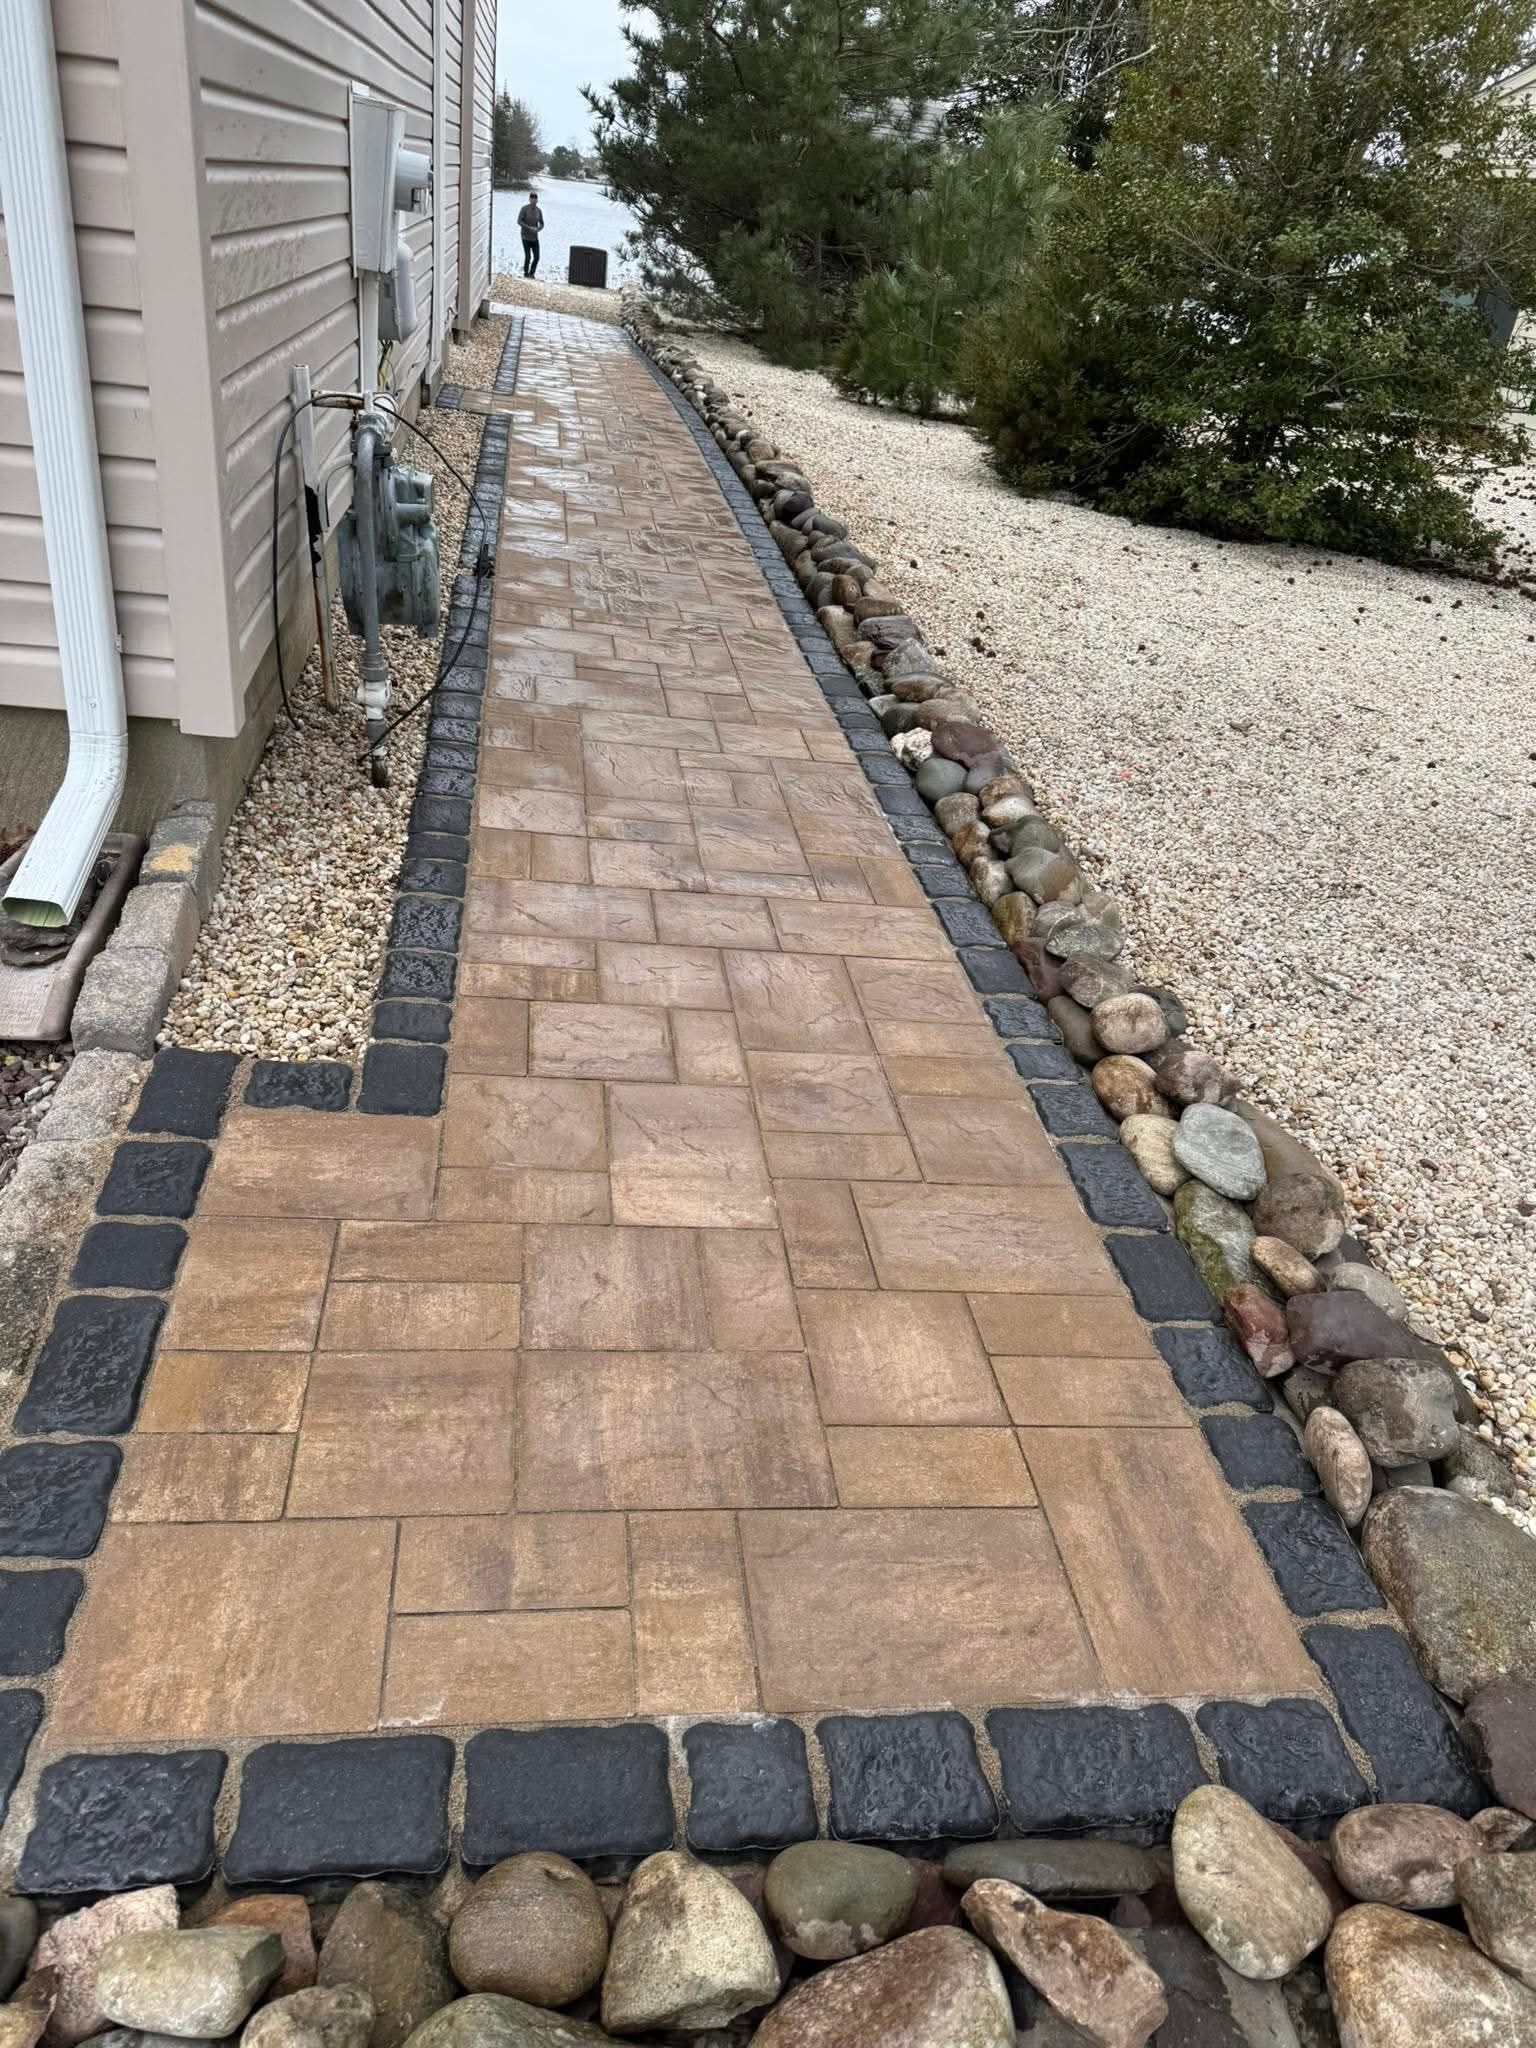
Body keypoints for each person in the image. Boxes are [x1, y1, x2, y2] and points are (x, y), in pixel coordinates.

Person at [518, 191, 544, 279]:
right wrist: (528, 228)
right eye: (532, 199)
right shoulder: (524, 209)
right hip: (525, 236)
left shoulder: (538, 211)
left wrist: (538, 229)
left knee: (537, 257)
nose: (533, 201)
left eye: (535, 200)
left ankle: (532, 273)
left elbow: (542, 224)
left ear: (537, 201)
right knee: (528, 256)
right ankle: (526, 273)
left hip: (534, 237)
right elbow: (519, 221)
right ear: (529, 199)